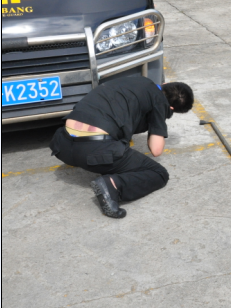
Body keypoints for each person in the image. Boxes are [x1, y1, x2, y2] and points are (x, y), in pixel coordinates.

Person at [49, 77, 195, 219]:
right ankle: (112, 185)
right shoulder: (160, 101)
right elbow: (156, 150)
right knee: (159, 173)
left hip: (62, 145)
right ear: (171, 108)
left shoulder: (137, 80)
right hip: (92, 152)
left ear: (165, 83)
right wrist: (161, 116)